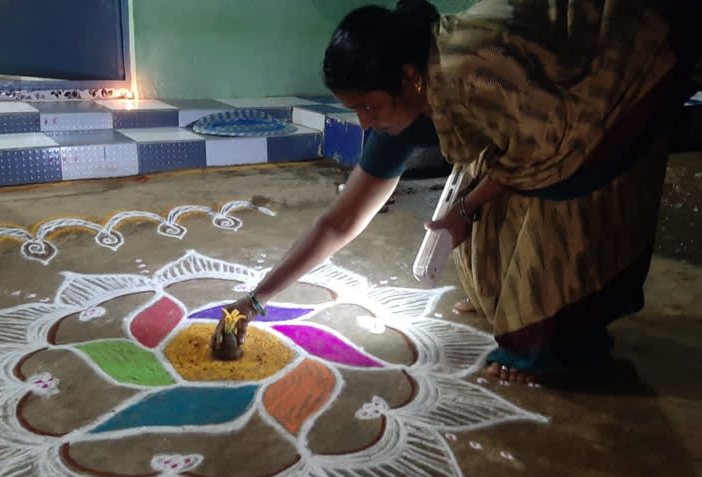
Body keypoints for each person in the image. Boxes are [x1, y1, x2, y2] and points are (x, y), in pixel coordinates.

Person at [213, 0, 700, 383]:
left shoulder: (473, 69)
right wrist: (254, 300)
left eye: (367, 105)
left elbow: (550, 144)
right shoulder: (403, 106)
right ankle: (511, 301)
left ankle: (558, 345)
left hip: (618, 61)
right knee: (484, 227)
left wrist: (467, 208)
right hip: (538, 123)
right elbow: (340, 221)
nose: (364, 121)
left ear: (408, 78)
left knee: (551, 224)